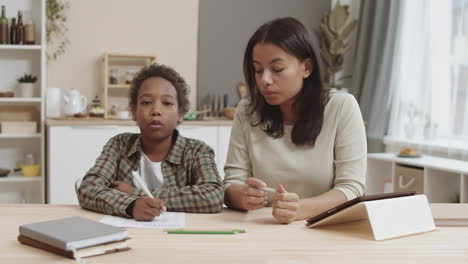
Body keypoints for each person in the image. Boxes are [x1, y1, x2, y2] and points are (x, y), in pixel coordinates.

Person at [223, 17, 367, 224]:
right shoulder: (247, 110)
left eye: (277, 69)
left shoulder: (341, 107)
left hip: (324, 228)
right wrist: (241, 196)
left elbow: (352, 188)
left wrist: (301, 209)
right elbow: (232, 182)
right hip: (264, 229)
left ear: (307, 67)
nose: (265, 79)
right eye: (258, 69)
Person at [78, 64, 224, 221]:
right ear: (134, 112)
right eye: (146, 102)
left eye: (167, 103)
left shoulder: (197, 151)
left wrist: (135, 193)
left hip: (180, 239)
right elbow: (88, 188)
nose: (156, 110)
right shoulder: (118, 145)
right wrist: (131, 205)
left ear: (180, 114)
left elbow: (213, 196)